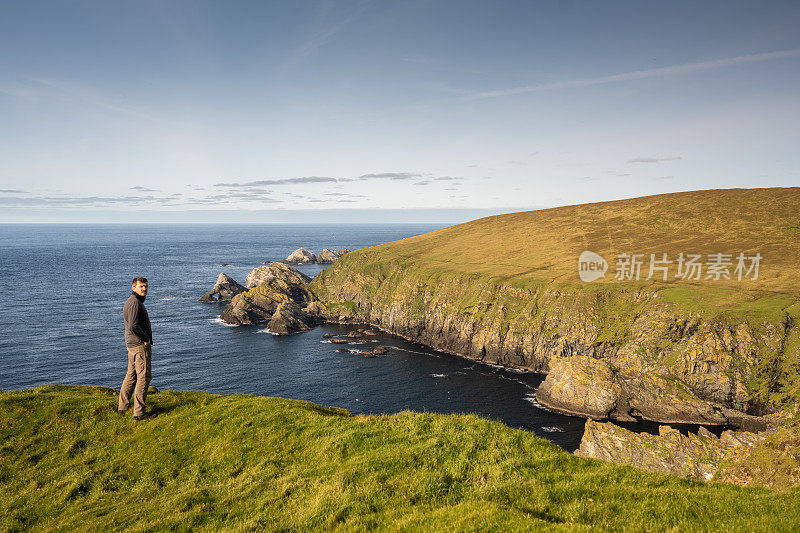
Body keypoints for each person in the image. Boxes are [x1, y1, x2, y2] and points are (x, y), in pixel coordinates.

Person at [118, 276, 156, 421]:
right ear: (133, 288)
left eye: (146, 286)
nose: (144, 289)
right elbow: (133, 325)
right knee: (144, 377)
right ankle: (139, 413)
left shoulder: (132, 301)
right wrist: (145, 338)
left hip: (132, 344)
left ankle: (123, 406)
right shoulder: (134, 303)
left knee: (132, 375)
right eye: (141, 286)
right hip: (139, 345)